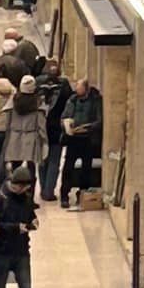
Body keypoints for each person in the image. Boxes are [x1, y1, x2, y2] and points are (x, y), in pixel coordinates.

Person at [57, 78, 103, 208]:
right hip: (73, 138)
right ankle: (64, 194)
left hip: (87, 139)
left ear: (85, 88)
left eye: (79, 86)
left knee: (86, 169)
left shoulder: (95, 101)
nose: (76, 89)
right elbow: (64, 116)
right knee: (68, 167)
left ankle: (82, 193)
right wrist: (66, 125)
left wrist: (88, 127)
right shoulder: (72, 100)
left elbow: (99, 121)